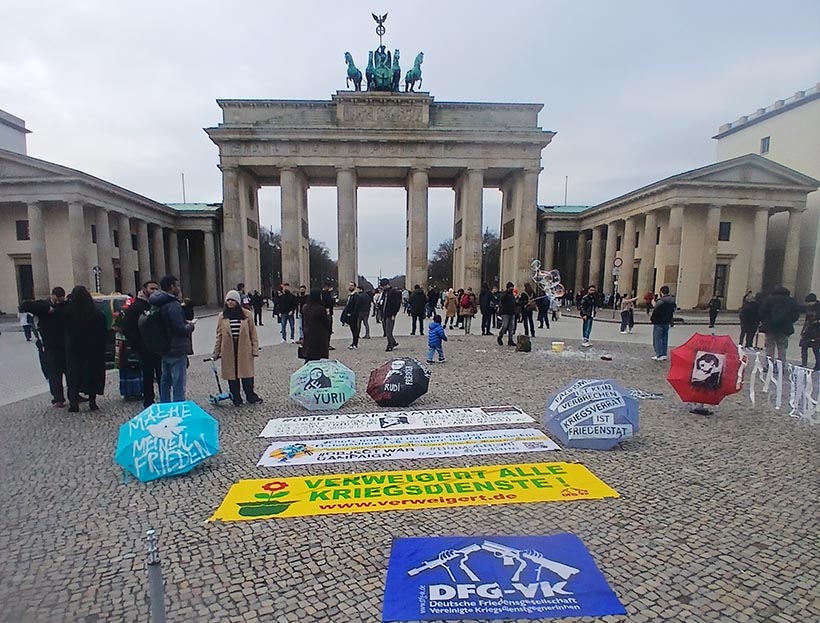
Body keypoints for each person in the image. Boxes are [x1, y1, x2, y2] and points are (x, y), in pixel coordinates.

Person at [150, 275, 195, 402]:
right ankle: (178, 409)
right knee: (178, 383)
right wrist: (190, 326)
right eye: (177, 286)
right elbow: (180, 328)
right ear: (172, 287)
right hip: (176, 347)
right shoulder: (173, 304)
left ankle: (165, 405)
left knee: (165, 381)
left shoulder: (156, 302)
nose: (179, 288)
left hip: (163, 347)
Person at [21, 287, 68, 407]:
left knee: (69, 372)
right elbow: (25, 306)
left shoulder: (65, 306)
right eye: (57, 299)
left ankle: (73, 395)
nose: (58, 302)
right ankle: (58, 398)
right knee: (54, 373)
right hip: (49, 346)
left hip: (64, 344)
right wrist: (47, 308)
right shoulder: (44, 306)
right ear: (52, 296)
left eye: (60, 300)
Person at [213, 290, 262, 406]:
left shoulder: (247, 314)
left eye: (233, 300)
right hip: (229, 349)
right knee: (232, 375)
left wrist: (255, 349)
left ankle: (250, 395)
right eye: (228, 300)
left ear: (237, 302)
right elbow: (219, 335)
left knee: (247, 374)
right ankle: (236, 397)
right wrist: (216, 353)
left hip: (244, 348)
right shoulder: (222, 316)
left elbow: (252, 333)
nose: (230, 302)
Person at [63, 286, 107, 412]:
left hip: (74, 350)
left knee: (74, 377)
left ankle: (73, 404)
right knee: (92, 375)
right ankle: (92, 402)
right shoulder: (97, 314)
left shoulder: (68, 313)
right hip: (93, 350)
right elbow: (103, 333)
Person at [120, 280, 162, 408]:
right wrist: (138, 344)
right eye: (151, 288)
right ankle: (148, 400)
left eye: (156, 289)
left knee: (161, 374)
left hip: (157, 347)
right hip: (145, 347)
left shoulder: (156, 305)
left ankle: (164, 398)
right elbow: (127, 327)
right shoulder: (137, 307)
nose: (154, 291)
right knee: (148, 375)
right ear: (144, 289)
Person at [759, 286, 799, 363]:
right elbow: (795, 314)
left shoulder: (769, 299)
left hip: (770, 327)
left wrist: (764, 321)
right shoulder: (791, 300)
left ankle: (768, 365)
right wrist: (790, 321)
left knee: (769, 346)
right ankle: (782, 366)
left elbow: (762, 312)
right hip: (784, 328)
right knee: (782, 348)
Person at [301, 289, 331, 361]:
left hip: (308, 332)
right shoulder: (320, 309)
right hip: (319, 334)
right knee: (318, 355)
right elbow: (326, 322)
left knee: (309, 355)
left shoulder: (305, 307)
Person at [650, 285, 676, 361]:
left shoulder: (660, 301)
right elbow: (673, 310)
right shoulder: (672, 300)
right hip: (666, 321)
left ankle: (658, 354)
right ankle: (664, 354)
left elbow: (656, 311)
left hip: (659, 322)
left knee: (657, 339)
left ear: (661, 292)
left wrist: (652, 319)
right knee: (665, 338)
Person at [379, 278, 402, 352]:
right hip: (384, 314)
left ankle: (390, 345)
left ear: (387, 285)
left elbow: (396, 304)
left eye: (383, 286)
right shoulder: (384, 292)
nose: (382, 287)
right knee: (386, 330)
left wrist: (394, 314)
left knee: (388, 331)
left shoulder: (393, 292)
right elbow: (382, 303)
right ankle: (393, 342)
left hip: (390, 314)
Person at [799, 293, 820, 369]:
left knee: (816, 348)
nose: (808, 304)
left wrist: (815, 322)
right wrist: (803, 331)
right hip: (808, 330)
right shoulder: (809, 308)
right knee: (804, 346)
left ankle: (818, 364)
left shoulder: (818, 308)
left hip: (816, 332)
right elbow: (807, 320)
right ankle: (804, 363)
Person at [340, 282, 362, 349]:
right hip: (350, 315)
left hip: (353, 316)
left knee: (355, 329)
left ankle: (355, 343)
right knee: (353, 330)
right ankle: (354, 342)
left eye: (352, 285)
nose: (350, 287)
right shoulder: (351, 295)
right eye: (349, 285)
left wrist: (352, 314)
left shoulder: (356, 296)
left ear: (355, 287)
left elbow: (356, 306)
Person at [497, 282, 517, 347]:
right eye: (511, 287)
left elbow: (514, 303)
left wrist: (524, 303)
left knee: (511, 328)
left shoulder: (512, 295)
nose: (512, 289)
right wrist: (507, 292)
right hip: (505, 313)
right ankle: (500, 337)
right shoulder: (505, 294)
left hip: (512, 313)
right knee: (504, 326)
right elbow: (502, 299)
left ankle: (510, 340)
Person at [322, 281, 336, 349]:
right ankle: (327, 344)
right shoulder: (326, 294)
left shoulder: (321, 294)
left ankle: (324, 344)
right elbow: (330, 303)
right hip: (327, 313)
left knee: (325, 329)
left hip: (323, 312)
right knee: (328, 329)